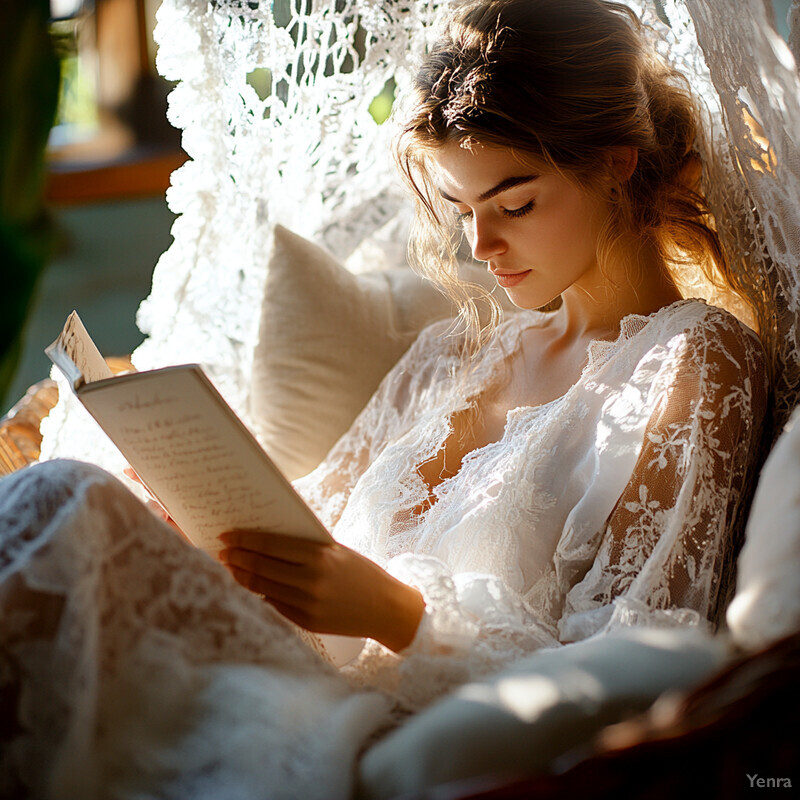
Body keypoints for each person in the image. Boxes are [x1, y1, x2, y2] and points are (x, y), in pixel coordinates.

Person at [0, 1, 768, 797]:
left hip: (376, 728)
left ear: (616, 162)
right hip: (273, 666)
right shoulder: (455, 351)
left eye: (515, 203)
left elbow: (639, 663)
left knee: (63, 506)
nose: (482, 247)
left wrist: (403, 615)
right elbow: (314, 513)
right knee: (80, 505)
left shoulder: (693, 364)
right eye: (463, 210)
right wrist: (195, 518)